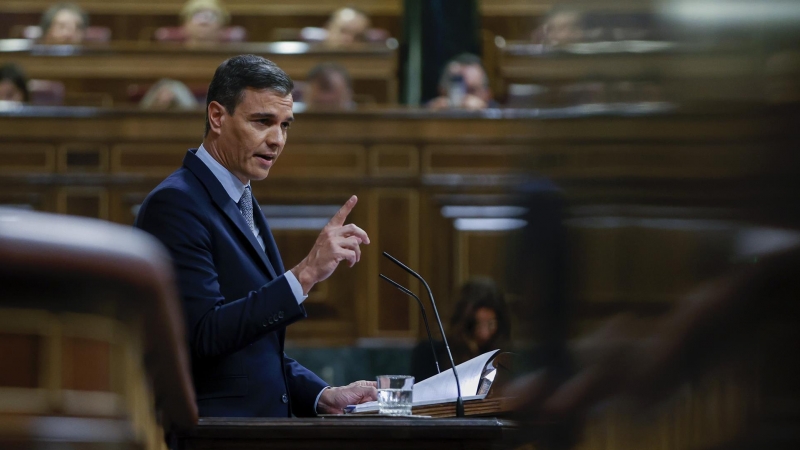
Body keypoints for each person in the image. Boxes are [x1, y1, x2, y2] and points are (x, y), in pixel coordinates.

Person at [134, 54, 376, 417]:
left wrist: (321, 394)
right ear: (217, 116)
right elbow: (203, 335)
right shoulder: (176, 203)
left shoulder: (240, 197)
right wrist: (306, 273)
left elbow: (250, 351)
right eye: (262, 122)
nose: (276, 140)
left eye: (285, 125)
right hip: (213, 434)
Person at [411, 278, 511, 382]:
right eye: (476, 324)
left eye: (491, 324)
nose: (484, 334)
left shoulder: (506, 356)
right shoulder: (430, 353)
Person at [427, 53, 498, 111]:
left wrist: (483, 113)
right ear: (442, 91)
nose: (464, 101)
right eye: (455, 91)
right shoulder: (430, 110)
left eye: (471, 91)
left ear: (487, 94)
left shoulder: (500, 117)